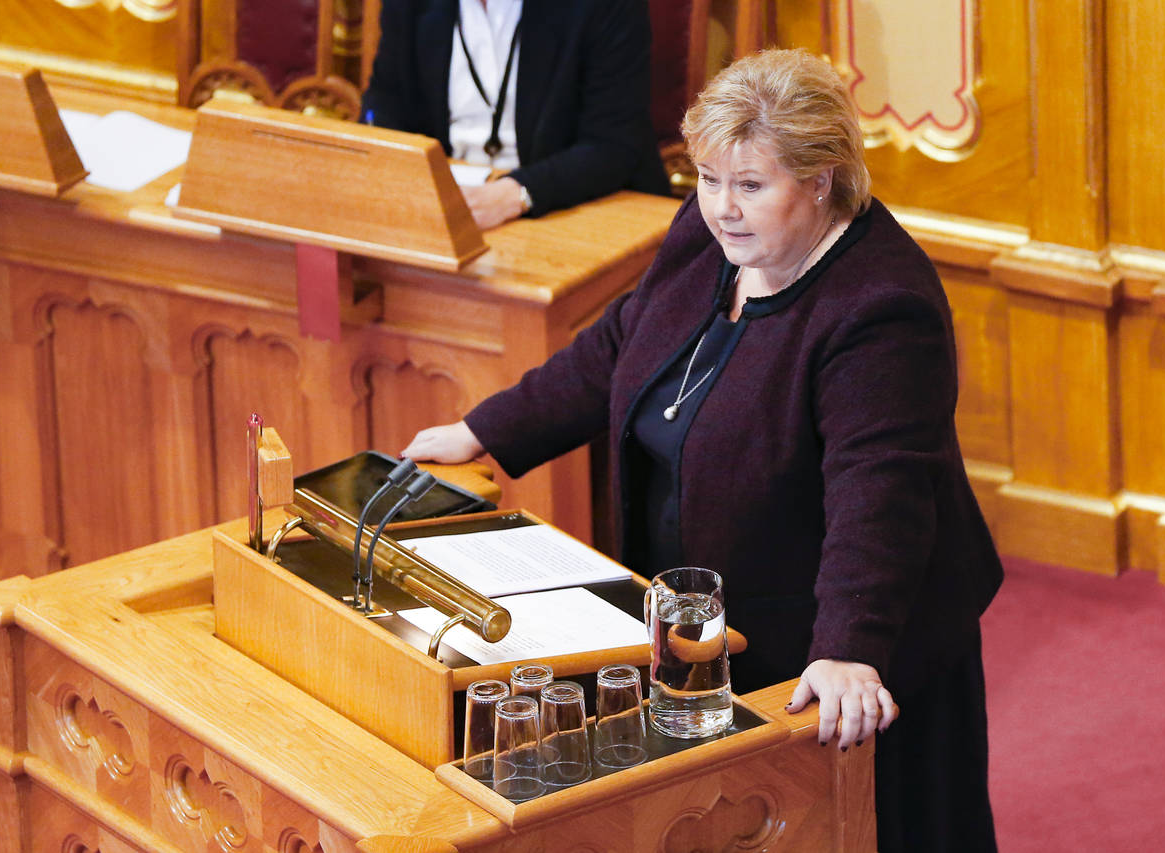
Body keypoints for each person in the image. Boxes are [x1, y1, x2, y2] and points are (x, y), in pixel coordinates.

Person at [402, 48, 1002, 851]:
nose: (724, 207)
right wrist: (488, 430)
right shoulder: (708, 235)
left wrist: (849, 649)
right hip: (705, 627)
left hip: (836, 638)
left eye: (751, 186)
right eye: (710, 179)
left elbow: (879, 492)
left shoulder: (881, 309)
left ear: (821, 179)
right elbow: (621, 341)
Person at [362, 0, 670, 229]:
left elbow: (613, 145)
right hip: (448, 204)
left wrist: (518, 193)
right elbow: (385, 99)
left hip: (569, 205)